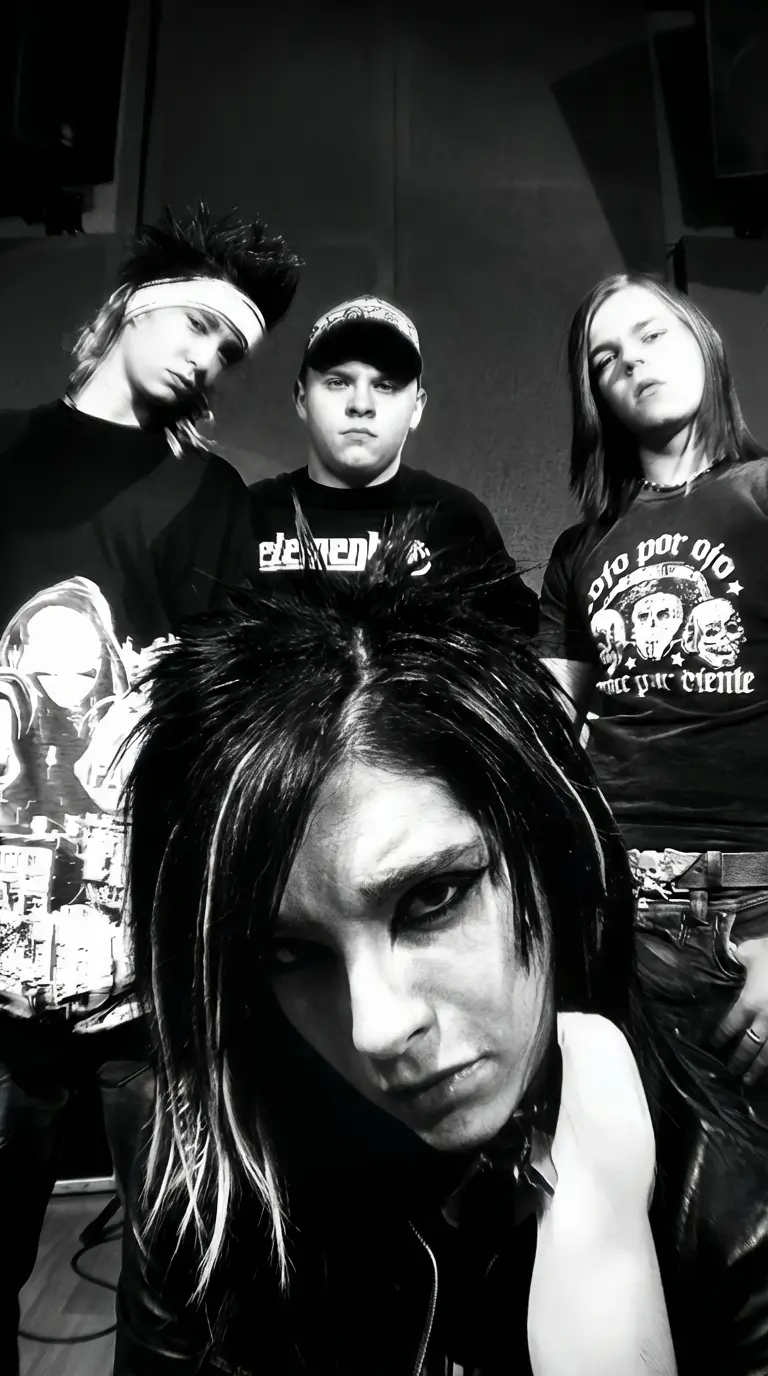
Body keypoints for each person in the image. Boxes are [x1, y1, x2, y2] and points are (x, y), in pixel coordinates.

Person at [113, 526, 675, 1375]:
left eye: (432, 898)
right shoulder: (214, 1177)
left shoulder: (725, 1192)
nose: (376, 1029)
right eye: (290, 954)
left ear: (555, 853)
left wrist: (604, 1241)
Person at [0, 203, 300, 1373]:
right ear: (131, 305)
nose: (206, 356)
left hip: (151, 964)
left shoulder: (211, 495)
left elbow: (221, 718)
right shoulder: (8, 451)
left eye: (230, 350)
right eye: (195, 323)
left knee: (175, 1281)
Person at [535, 270, 768, 1374]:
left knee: (752, 1249)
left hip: (750, 906)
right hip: (619, 907)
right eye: (604, 355)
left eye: (651, 332)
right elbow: (548, 733)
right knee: (646, 1223)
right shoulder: (583, 549)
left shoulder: (762, 493)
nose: (630, 358)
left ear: (704, 343)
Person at [249, 295, 536, 623]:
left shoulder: (457, 521)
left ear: (416, 409)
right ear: (302, 398)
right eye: (338, 382)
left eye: (385, 386)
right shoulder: (248, 515)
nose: (361, 404)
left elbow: (519, 644)